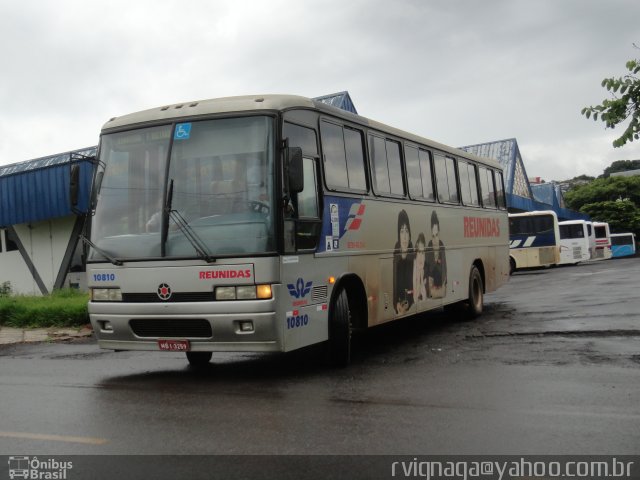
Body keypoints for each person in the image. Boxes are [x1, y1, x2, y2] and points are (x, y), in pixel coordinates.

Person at [393, 209, 414, 314]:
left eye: (407, 231)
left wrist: (409, 303)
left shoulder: (413, 257)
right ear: (398, 235)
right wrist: (396, 304)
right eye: (402, 231)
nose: (404, 236)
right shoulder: (396, 258)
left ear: (410, 235)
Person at [426, 210, 447, 299]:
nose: (435, 240)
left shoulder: (442, 247)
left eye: (437, 235)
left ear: (439, 233)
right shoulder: (429, 249)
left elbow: (444, 272)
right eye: (433, 236)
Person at [413, 233, 427, 304]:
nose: (422, 257)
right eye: (420, 252)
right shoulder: (416, 255)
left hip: (421, 276)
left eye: (423, 253)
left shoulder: (422, 253)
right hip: (417, 276)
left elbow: (422, 265)